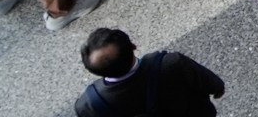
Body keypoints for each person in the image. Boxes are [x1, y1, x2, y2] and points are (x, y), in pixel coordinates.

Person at [73, 30, 224, 117]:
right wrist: (217, 89)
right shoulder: (171, 63)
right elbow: (212, 84)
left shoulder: (88, 104)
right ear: (133, 46)